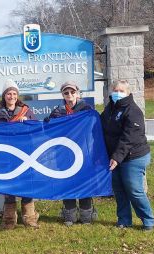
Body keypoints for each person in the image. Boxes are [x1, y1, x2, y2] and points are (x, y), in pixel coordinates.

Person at [0, 79, 39, 230]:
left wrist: (27, 121)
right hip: (5, 155)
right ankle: (9, 220)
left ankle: (30, 218)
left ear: (17, 95)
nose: (11, 96)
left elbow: (38, 128)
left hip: (24, 154)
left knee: (27, 184)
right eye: (8, 93)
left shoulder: (26, 111)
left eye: (14, 93)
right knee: (8, 187)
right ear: (4, 96)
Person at [100, 80, 154, 230]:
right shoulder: (110, 109)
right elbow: (101, 126)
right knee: (119, 190)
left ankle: (148, 220)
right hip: (116, 158)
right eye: (115, 90)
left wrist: (116, 157)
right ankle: (124, 220)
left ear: (128, 93)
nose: (118, 93)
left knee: (134, 190)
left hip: (134, 157)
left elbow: (129, 138)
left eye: (121, 90)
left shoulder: (133, 111)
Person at [45, 81, 98, 226]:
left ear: (78, 93)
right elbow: (50, 133)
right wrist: (48, 123)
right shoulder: (57, 112)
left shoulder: (87, 109)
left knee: (84, 181)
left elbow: (94, 129)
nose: (70, 95)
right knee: (67, 181)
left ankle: (86, 215)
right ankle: (70, 215)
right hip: (64, 154)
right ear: (62, 95)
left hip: (84, 152)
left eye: (72, 92)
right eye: (66, 93)